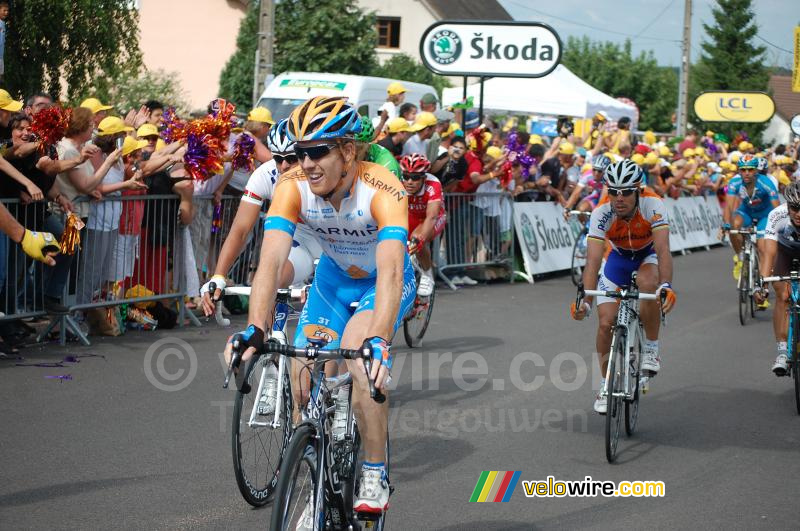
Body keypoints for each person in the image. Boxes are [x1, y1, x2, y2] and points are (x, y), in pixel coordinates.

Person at [225, 96, 414, 515]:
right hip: (332, 282)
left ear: (347, 151)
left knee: (361, 363)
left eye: (317, 152)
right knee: (301, 377)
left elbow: (390, 272)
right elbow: (270, 263)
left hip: (380, 284)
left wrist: (379, 340)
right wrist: (255, 328)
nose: (306, 163)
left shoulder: (383, 187)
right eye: (301, 152)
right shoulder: (291, 186)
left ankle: (374, 470)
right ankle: (315, 466)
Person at [571, 159, 676, 414]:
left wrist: (665, 285)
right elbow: (593, 261)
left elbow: (663, 249)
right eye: (613, 191)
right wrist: (585, 301)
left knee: (648, 284)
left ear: (638, 190)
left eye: (626, 192)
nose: (619, 198)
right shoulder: (601, 213)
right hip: (618, 260)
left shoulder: (653, 205)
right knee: (605, 323)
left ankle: (651, 347)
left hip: (647, 256)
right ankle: (605, 384)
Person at [757, 183, 800, 375]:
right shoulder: (777, 215)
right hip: (785, 253)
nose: (798, 214)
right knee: (782, 295)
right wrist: (762, 285)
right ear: (787, 206)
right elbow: (769, 253)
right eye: (795, 208)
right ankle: (782, 352)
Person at [723, 154, 780, 299]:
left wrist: (778, 227)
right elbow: (728, 207)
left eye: (750, 169)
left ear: (756, 170)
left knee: (762, 248)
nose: (746, 173)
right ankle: (740, 257)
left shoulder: (766, 182)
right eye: (743, 170)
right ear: (739, 171)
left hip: (765, 215)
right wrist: (726, 224)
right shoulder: (734, 182)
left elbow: (777, 209)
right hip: (746, 212)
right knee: (734, 226)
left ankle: (761, 288)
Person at [400, 153, 445, 297]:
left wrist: (420, 240)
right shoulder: (398, 182)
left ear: (424, 178)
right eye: (406, 176)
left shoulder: (433, 184)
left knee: (418, 239)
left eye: (415, 178)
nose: (409, 181)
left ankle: (427, 275)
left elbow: (431, 217)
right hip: (412, 215)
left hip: (433, 217)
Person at [0, 1, 8, 84]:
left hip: (1, 56)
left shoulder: (3, 23)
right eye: (4, 10)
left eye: (7, 11)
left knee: (1, 79)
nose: (6, 13)